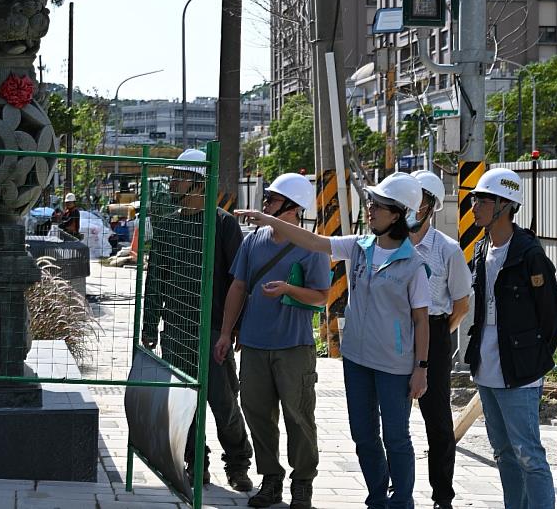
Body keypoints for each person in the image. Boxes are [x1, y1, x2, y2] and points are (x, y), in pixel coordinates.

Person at [235, 171, 431, 509]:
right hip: (357, 361)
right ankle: (376, 500)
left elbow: (421, 321)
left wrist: (421, 368)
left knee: (396, 438)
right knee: (364, 437)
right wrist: (267, 218)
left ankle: (401, 501)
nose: (369, 209)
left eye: (378, 205)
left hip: (395, 366)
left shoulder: (413, 264)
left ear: (397, 214)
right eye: (370, 202)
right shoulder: (359, 246)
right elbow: (313, 242)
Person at [214, 173, 331, 509]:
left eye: (272, 199)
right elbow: (238, 287)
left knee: (298, 416)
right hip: (253, 345)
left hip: (294, 347)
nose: (265, 204)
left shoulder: (312, 246)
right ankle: (271, 479)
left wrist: (289, 289)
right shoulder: (253, 241)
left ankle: (303, 482)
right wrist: (225, 333)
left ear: (293, 207)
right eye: (266, 198)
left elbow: (322, 297)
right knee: (258, 414)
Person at [141, 149, 254, 492]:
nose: (173, 183)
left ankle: (237, 464)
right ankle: (196, 463)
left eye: (179, 177)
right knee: (185, 404)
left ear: (197, 183)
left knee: (224, 404)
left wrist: (235, 328)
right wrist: (149, 325)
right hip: (175, 331)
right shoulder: (168, 225)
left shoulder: (223, 224)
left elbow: (240, 280)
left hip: (214, 332)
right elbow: (155, 278)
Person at [463, 168, 557, 509]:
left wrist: (533, 359)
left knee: (529, 455)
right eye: (474, 198)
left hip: (519, 372)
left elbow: (552, 317)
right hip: (485, 367)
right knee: (504, 452)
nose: (473, 206)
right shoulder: (479, 250)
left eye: (481, 200)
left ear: (505, 205)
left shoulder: (530, 255)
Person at [408, 170, 471, 509]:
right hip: (396, 332)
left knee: (437, 420)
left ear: (430, 206)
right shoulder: (392, 244)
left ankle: (442, 495)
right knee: (392, 416)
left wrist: (434, 337)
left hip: (433, 333)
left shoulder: (447, 249)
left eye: (418, 200)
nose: (410, 207)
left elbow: (461, 305)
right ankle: (395, 487)